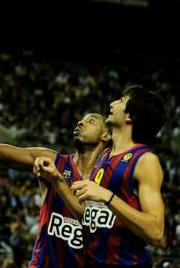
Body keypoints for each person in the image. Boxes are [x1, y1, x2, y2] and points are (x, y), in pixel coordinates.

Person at [0, 53, 111, 268]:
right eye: (80, 120)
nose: (80, 123)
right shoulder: (51, 160)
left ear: (106, 136)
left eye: (90, 121)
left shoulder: (112, 176)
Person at [35, 85, 166, 267]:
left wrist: (107, 197)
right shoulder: (104, 155)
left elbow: (156, 233)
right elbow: (86, 217)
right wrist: (57, 179)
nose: (112, 103)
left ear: (130, 116)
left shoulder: (145, 160)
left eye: (121, 101)